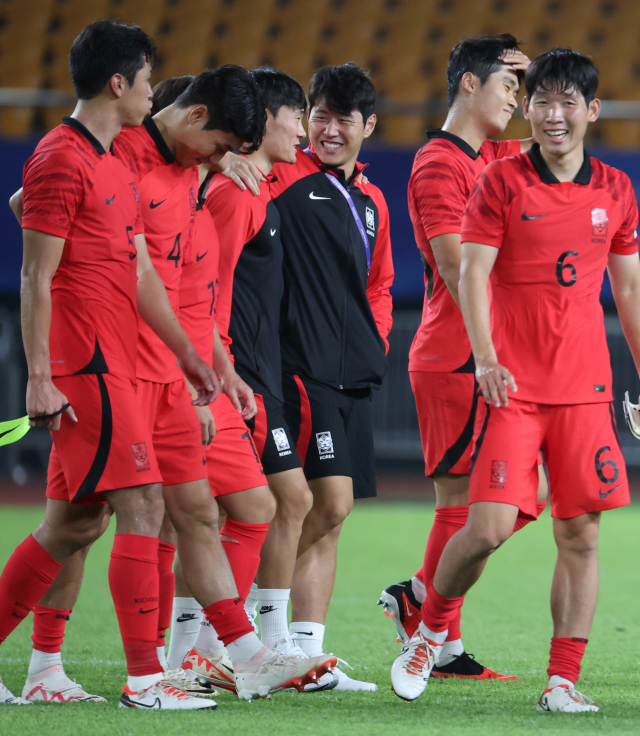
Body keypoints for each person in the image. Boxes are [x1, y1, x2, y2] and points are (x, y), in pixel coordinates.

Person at [391, 48, 640, 713]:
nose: (552, 115)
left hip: (584, 390)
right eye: (540, 101)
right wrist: (486, 358)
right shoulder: (498, 182)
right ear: (528, 110)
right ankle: (429, 630)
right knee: (487, 526)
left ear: (591, 111)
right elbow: (470, 273)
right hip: (515, 389)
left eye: (567, 103)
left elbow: (631, 289)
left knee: (581, 534)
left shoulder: (616, 189)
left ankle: (561, 682)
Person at [0, 20, 220, 710]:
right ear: (119, 83)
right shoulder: (61, 156)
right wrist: (40, 376)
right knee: (144, 503)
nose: (153, 94)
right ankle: (147, 681)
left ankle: (44, 674)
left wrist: (185, 352)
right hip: (84, 362)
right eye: (149, 80)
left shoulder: (108, 159)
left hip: (111, 358)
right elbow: (36, 277)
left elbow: (38, 217)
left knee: (74, 523)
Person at [378, 33, 549, 680]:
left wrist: (542, 78)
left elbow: (553, 135)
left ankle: (420, 600)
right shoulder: (438, 163)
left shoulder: (496, 155)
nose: (518, 100)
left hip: (490, 353)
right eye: (509, 86)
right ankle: (438, 637)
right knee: (466, 503)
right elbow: (455, 264)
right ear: (469, 85)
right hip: (459, 353)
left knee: (518, 495)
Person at [175, 68, 335, 692]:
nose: (305, 128)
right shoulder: (236, 195)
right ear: (266, 119)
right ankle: (212, 651)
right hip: (228, 373)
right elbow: (197, 289)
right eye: (297, 115)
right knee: (208, 513)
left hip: (245, 372)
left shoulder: (258, 188)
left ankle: (214, 651)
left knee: (244, 508)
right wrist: (222, 372)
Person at [268, 63, 394, 690]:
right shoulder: (280, 176)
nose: (329, 128)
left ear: (368, 125)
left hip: (354, 376)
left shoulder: (372, 201)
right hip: (302, 369)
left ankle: (308, 653)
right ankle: (244, 614)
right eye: (320, 114)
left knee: (333, 516)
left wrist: (377, 338)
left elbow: (379, 286)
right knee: (325, 502)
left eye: (344, 118)